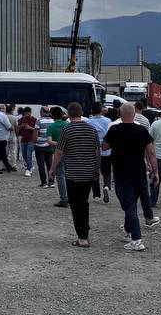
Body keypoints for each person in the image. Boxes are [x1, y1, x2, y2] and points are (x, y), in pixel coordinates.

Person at [103, 103, 160, 252]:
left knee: (128, 206)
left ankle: (136, 239)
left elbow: (104, 146)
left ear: (120, 115)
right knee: (132, 203)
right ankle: (129, 230)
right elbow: (151, 153)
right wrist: (156, 172)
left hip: (122, 172)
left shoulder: (114, 129)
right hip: (139, 172)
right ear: (134, 114)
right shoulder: (142, 130)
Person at [49, 102, 102, 247]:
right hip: (88, 173)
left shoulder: (67, 130)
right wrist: (97, 169)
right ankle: (85, 229)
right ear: (81, 112)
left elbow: (59, 152)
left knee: (75, 205)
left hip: (72, 174)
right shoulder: (92, 130)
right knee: (84, 202)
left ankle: (82, 238)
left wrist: (52, 169)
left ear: (69, 114)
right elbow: (97, 151)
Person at [86, 101, 114, 203]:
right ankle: (106, 185)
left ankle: (96, 193)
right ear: (101, 109)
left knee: (95, 172)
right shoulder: (108, 121)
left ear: (92, 110)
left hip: (93, 150)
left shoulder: (88, 122)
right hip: (106, 149)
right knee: (106, 172)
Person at [47, 106, 70, 206]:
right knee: (69, 176)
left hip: (57, 153)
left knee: (60, 177)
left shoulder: (51, 127)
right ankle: (71, 197)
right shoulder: (67, 124)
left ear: (52, 115)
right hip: (69, 153)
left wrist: (59, 144)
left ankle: (64, 199)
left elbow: (49, 141)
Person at [35, 106, 55, 187]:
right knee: (50, 164)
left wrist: (34, 141)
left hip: (39, 146)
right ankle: (51, 182)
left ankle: (44, 183)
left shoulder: (39, 121)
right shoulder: (52, 121)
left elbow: (35, 134)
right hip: (49, 146)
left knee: (41, 165)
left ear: (42, 112)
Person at [18, 106, 38, 179]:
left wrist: (30, 128)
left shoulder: (35, 120)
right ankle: (30, 165)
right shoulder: (22, 119)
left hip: (31, 139)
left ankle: (28, 169)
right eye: (25, 113)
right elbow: (18, 128)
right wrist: (21, 126)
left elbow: (36, 130)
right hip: (24, 139)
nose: (26, 115)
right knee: (24, 155)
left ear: (30, 113)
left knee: (28, 154)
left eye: (27, 113)